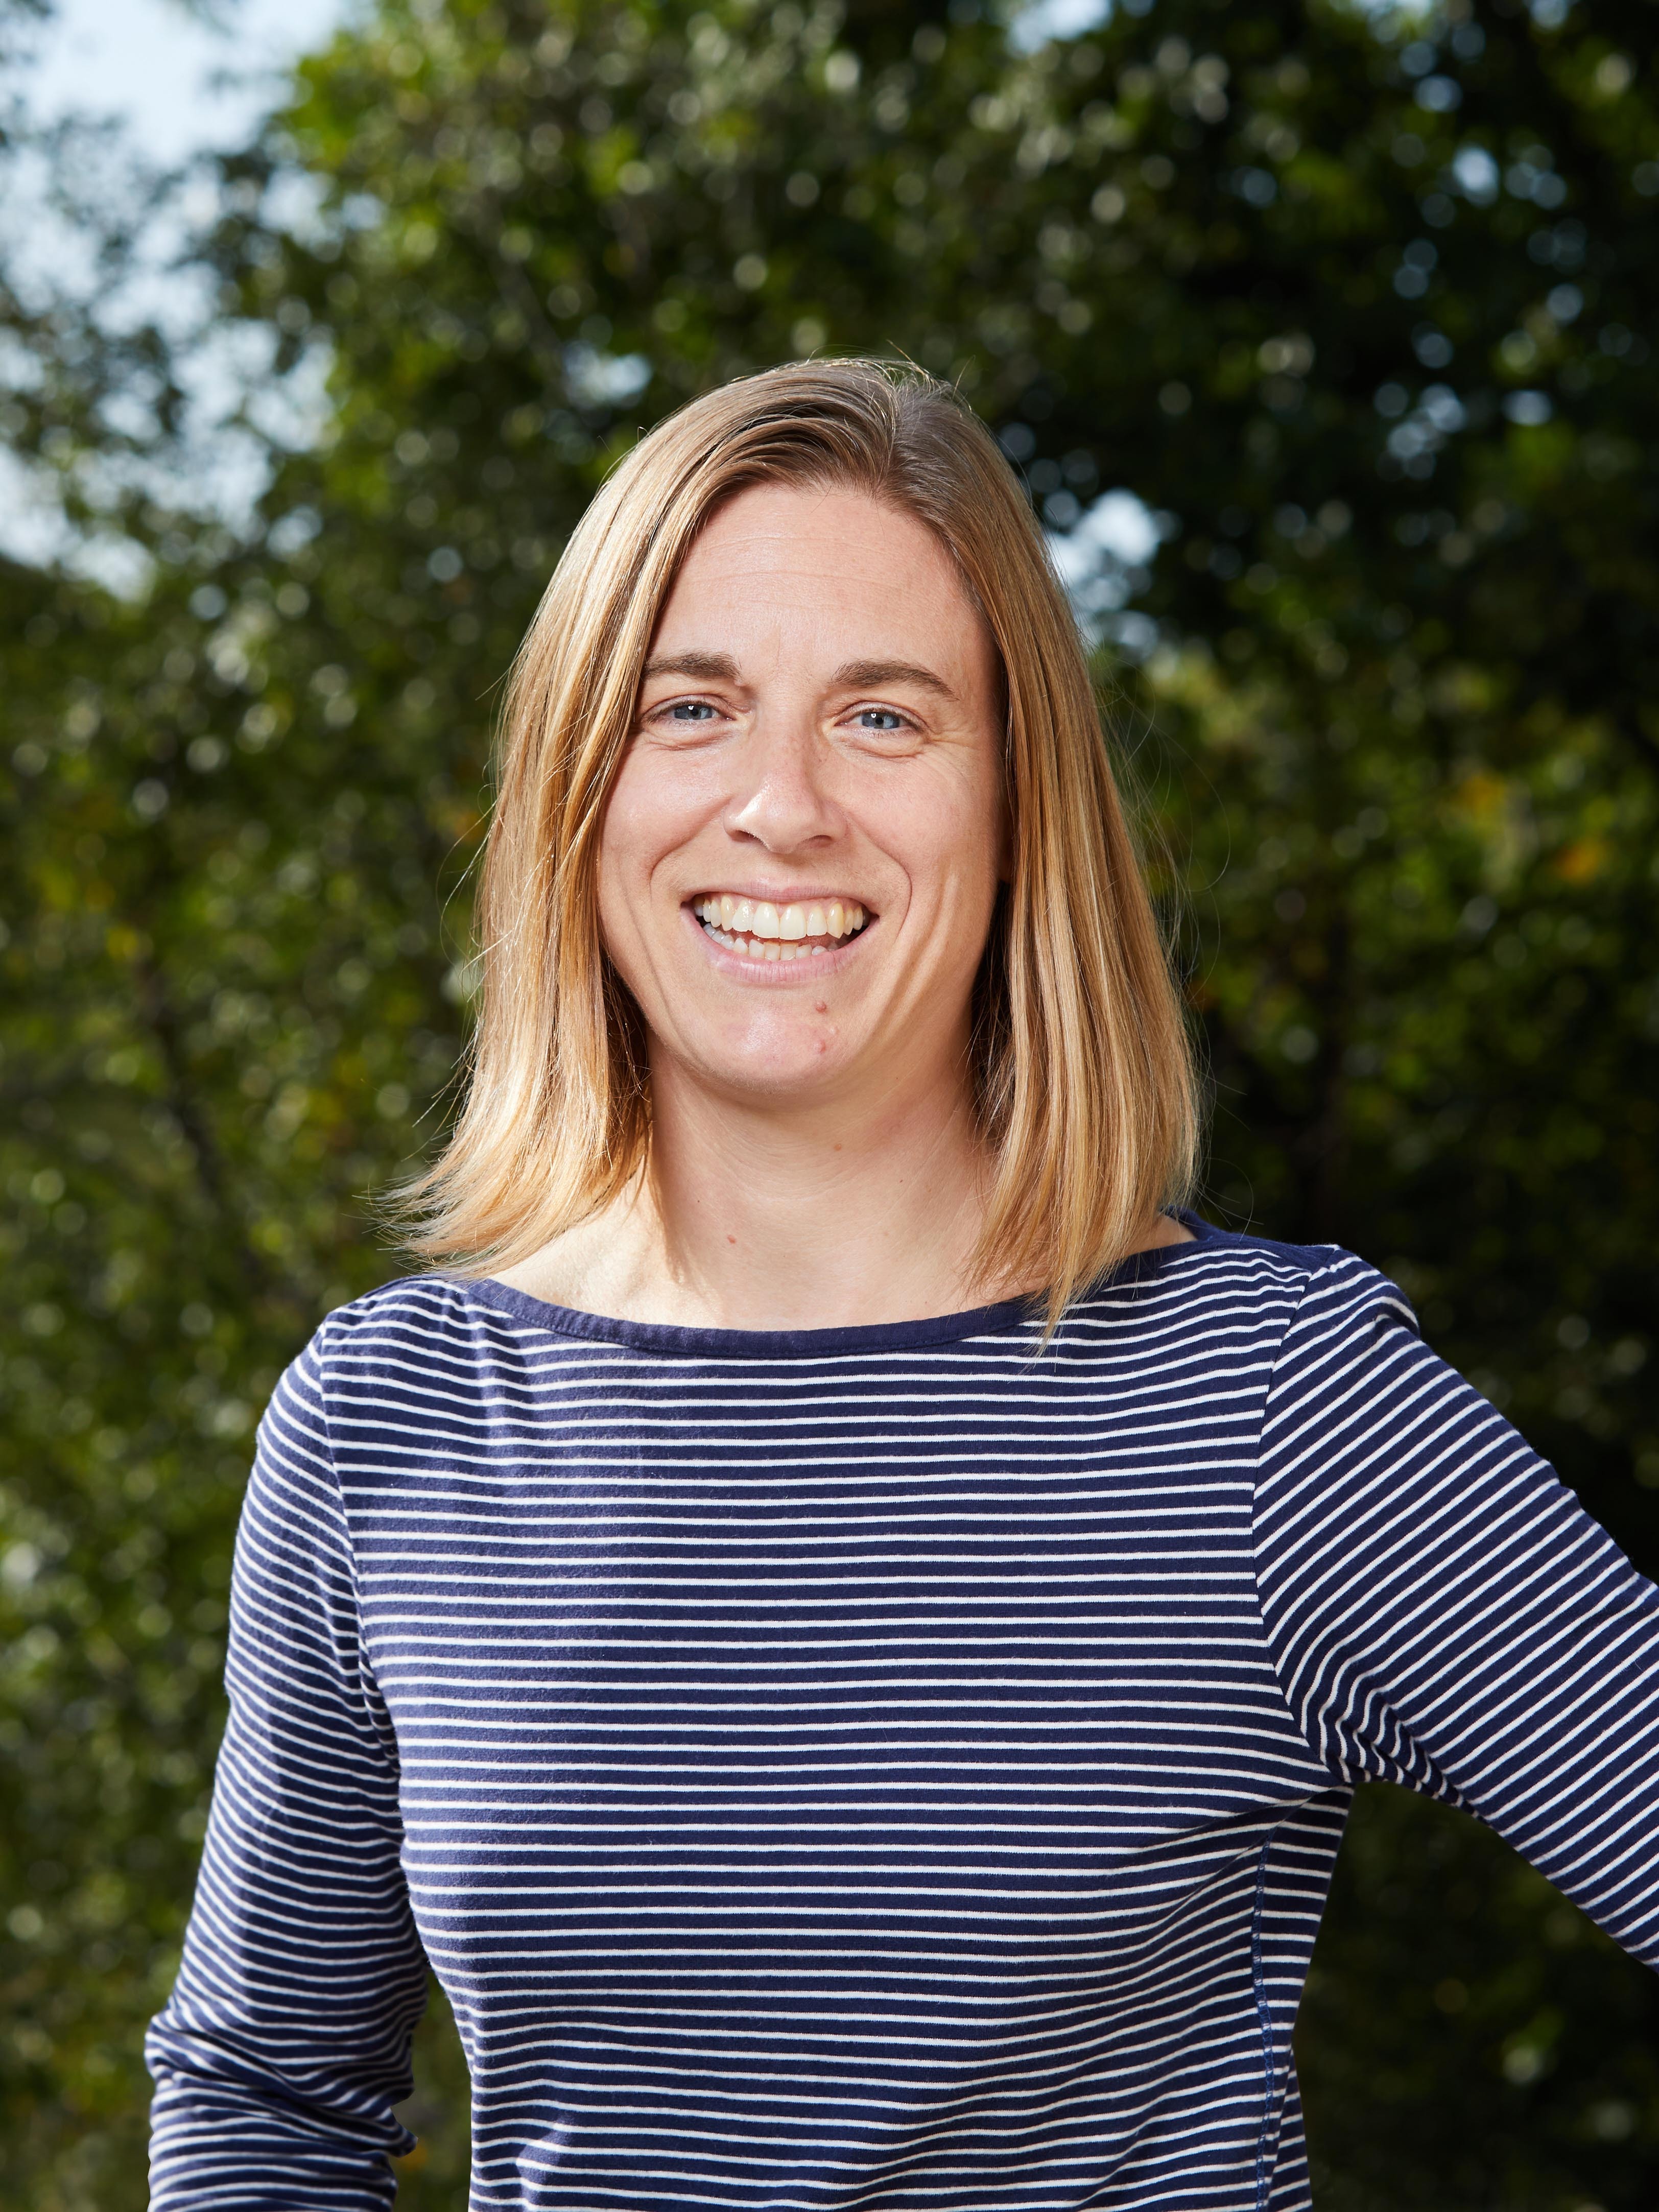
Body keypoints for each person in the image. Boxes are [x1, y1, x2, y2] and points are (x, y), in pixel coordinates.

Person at [147, 360, 1659, 2210]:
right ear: (575, 792)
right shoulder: (393, 1418)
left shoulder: (1269, 1397)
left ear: (1019, 805)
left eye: (885, 716)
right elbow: (261, 2102)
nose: (780, 807)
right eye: (687, 706)